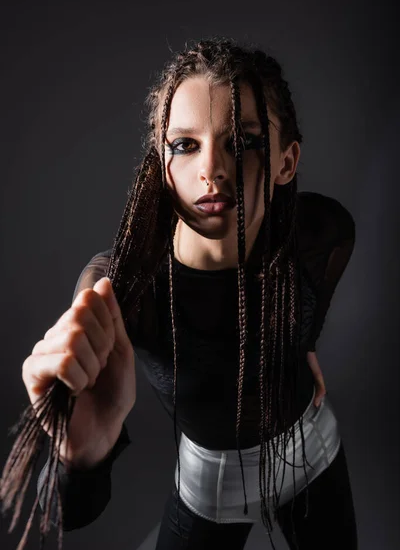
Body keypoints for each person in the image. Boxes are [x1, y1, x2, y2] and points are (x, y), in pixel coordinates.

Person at [23, 38, 357, 549]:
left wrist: (303, 342)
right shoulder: (124, 288)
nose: (212, 170)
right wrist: (79, 454)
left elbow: (316, 286)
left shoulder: (320, 232)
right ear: (161, 161)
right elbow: (67, 515)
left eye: (242, 141)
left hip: (314, 456)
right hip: (208, 489)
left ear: (287, 162)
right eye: (185, 144)